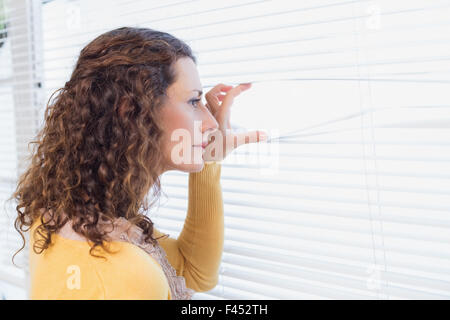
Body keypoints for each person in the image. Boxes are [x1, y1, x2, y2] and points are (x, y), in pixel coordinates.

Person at [9, 27, 266, 300]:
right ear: (131, 111)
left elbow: (194, 272)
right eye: (193, 101)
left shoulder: (71, 216)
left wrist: (208, 162)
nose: (211, 122)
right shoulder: (126, 272)